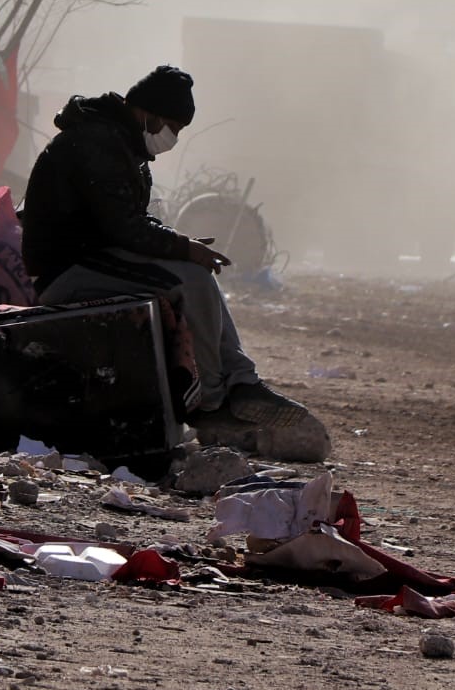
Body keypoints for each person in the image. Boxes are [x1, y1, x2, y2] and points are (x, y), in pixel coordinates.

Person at [20, 64, 329, 461]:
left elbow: (131, 222)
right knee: (190, 281)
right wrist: (181, 247)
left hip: (97, 258)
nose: (173, 139)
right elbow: (123, 227)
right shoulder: (97, 143)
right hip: (68, 271)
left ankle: (240, 382)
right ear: (146, 112)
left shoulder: (121, 145)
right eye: (173, 128)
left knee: (198, 274)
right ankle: (214, 404)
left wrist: (184, 248)